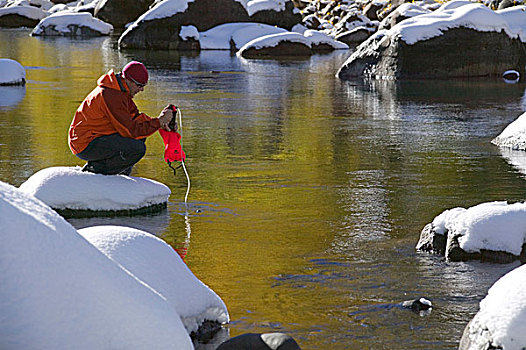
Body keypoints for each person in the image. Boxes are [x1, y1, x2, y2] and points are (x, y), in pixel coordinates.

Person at [68, 61, 174, 175]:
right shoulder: (112, 95)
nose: (142, 89)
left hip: (96, 137)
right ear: (128, 80)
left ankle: (120, 175)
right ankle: (94, 171)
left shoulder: (120, 90)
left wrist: (161, 122)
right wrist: (158, 122)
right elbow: (131, 131)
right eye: (140, 85)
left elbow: (136, 119)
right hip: (84, 144)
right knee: (137, 148)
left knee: (139, 138)